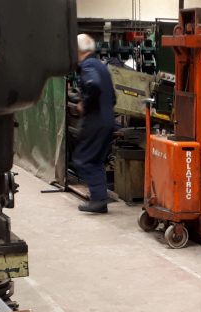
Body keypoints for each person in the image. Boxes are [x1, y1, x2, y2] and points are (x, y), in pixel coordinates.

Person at [73, 34, 116, 214]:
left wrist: (85, 103)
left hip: (96, 121)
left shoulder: (88, 65)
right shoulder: (100, 65)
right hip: (108, 120)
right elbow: (113, 96)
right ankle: (100, 199)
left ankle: (98, 200)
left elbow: (94, 84)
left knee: (83, 158)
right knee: (96, 159)